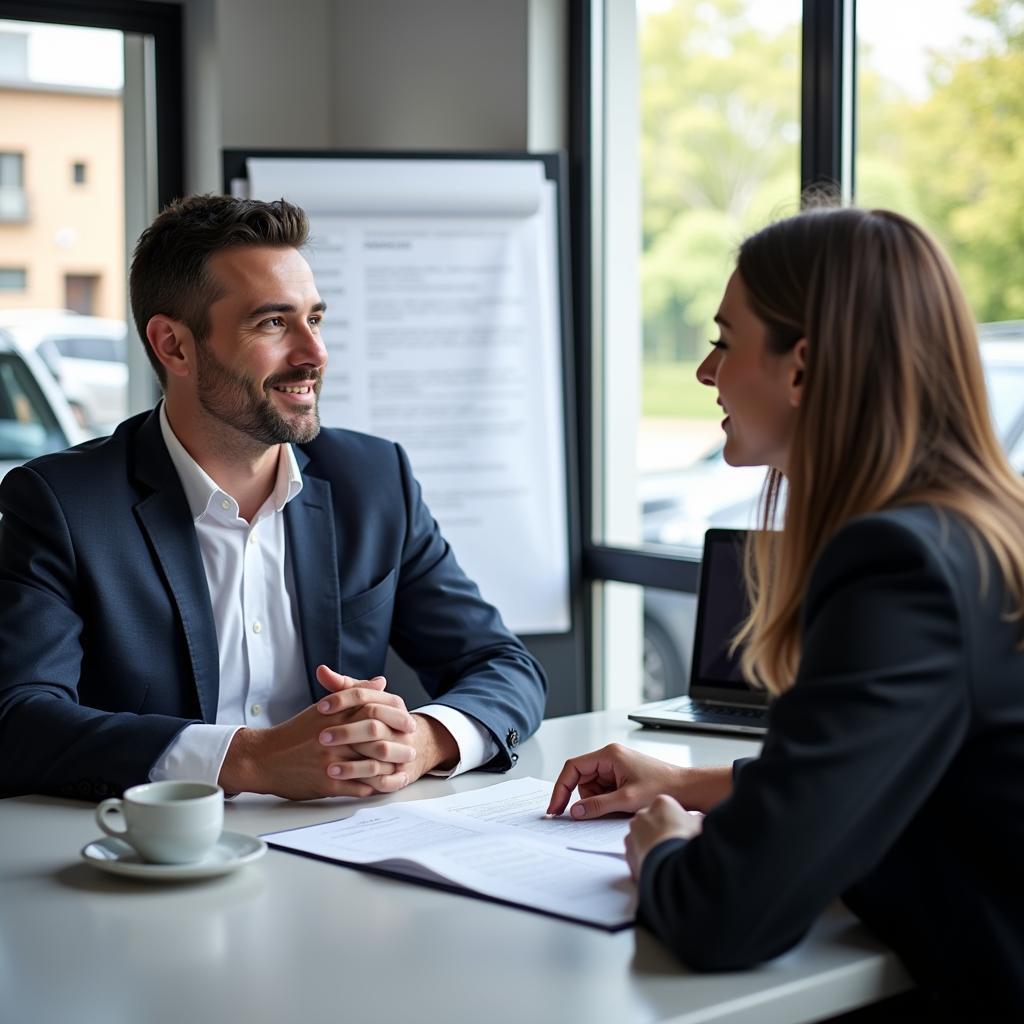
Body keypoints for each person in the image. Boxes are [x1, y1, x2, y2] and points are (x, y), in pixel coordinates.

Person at [548, 207, 1024, 1015]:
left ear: (800, 369)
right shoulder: (980, 525)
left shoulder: (897, 564)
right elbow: (894, 769)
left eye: (725, 340)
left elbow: (725, 916)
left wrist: (662, 851)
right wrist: (690, 783)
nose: (706, 371)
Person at [0, 194, 545, 802]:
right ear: (174, 346)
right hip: (152, 863)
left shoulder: (373, 479)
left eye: (314, 318)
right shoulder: (61, 504)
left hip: (346, 847)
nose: (314, 354)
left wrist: (424, 740)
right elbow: (18, 721)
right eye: (273, 323)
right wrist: (246, 759)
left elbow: (502, 665)